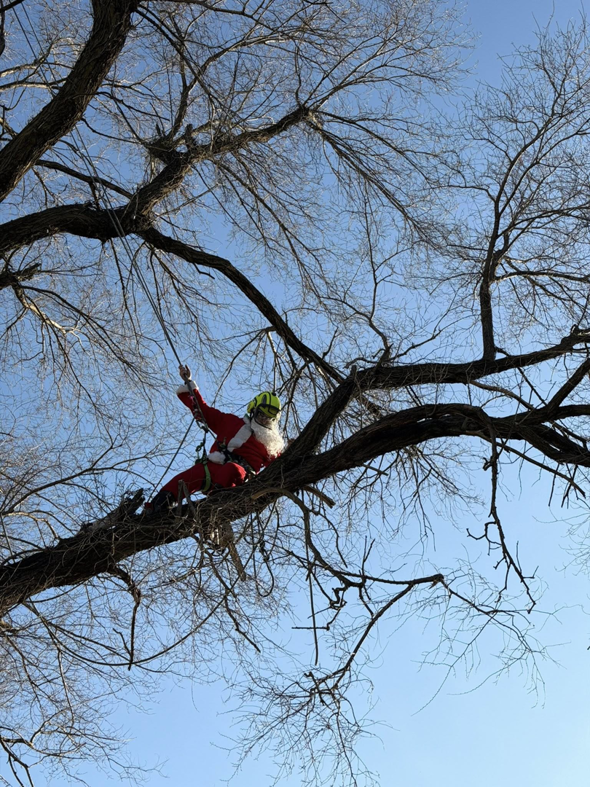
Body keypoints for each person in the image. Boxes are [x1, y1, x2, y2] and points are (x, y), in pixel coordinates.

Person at [147, 365, 284, 512]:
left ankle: (214, 508)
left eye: (268, 419)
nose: (264, 420)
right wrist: (189, 383)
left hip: (240, 476)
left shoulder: (270, 444)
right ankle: (158, 505)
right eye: (261, 415)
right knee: (187, 477)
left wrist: (294, 454)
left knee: (232, 470)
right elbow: (204, 411)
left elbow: (280, 466)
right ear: (253, 410)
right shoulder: (230, 422)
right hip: (213, 466)